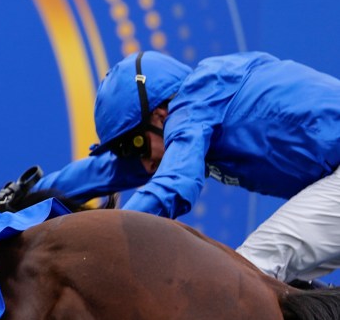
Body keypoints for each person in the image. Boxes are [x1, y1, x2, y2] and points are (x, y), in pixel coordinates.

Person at [32, 49, 340, 284]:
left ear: (160, 116)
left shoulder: (193, 105)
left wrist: (99, 243)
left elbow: (174, 185)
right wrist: (22, 197)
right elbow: (108, 171)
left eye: (134, 146)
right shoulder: (198, 108)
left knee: (248, 273)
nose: (142, 162)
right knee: (284, 289)